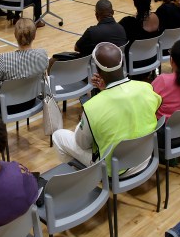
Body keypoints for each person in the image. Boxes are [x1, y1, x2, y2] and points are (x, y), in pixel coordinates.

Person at [52, 42, 162, 170]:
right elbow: (132, 107)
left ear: (97, 70)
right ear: (123, 64)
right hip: (145, 158)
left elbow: (82, 143)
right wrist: (107, 90)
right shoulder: (146, 88)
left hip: (116, 169)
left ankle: (86, 177)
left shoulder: (92, 107)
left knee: (59, 136)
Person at [0, 18, 48, 109]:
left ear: (15, 35)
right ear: (34, 36)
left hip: (6, 106)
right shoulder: (43, 55)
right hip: (31, 102)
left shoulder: (4, 59)